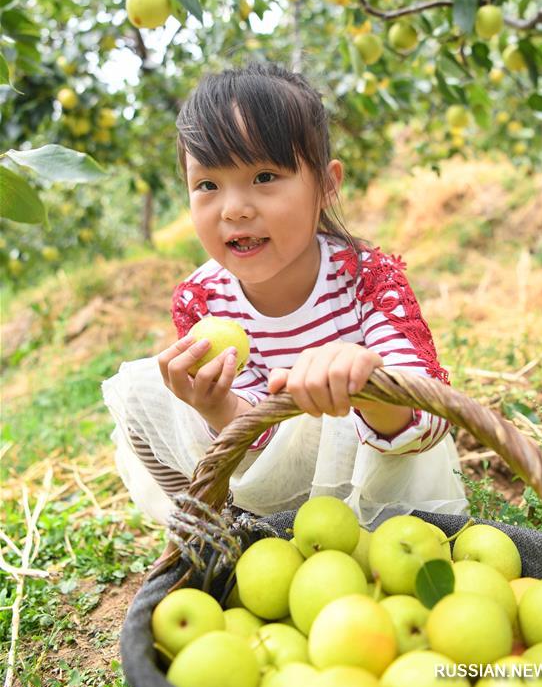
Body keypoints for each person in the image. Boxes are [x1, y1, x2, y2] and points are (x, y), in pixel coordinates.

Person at [102, 62, 467, 535]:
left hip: (385, 485)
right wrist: (217, 408)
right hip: (280, 488)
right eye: (208, 185)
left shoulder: (365, 279)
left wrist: (368, 381)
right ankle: (219, 532)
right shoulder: (204, 299)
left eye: (265, 176)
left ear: (327, 183)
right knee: (143, 389)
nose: (234, 208)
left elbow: (430, 412)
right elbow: (258, 427)